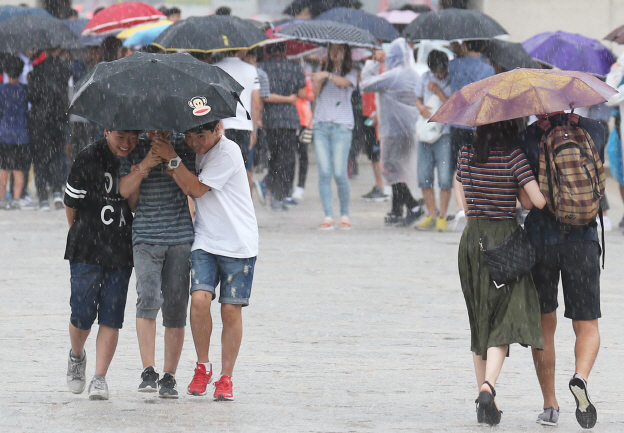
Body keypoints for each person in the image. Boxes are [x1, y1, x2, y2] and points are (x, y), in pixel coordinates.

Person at [150, 120, 258, 402]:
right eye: (189, 136)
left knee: (230, 311)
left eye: (201, 135)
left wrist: (172, 157)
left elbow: (196, 189)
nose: (196, 142)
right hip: (206, 240)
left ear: (217, 129)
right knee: (198, 300)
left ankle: (226, 377)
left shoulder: (228, 151)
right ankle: (203, 366)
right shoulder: (191, 152)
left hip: (238, 243)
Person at [517, 113, 605, 429]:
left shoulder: (527, 137)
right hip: (582, 237)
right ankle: (580, 376)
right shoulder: (596, 129)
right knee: (587, 323)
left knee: (545, 323)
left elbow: (527, 202)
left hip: (542, 239)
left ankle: (550, 405)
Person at [456, 120, 545, 426]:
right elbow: (537, 201)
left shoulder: (466, 153)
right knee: (504, 319)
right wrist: (521, 183)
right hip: (503, 241)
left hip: (471, 241)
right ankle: (488, 387)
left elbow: (463, 198)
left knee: (480, 319)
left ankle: (485, 404)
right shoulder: (513, 155)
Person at [119, 130, 196, 399]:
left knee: (176, 307)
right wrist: (144, 167)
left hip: (179, 237)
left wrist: (172, 158)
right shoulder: (137, 148)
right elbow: (129, 196)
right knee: (147, 297)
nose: (156, 130)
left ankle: (169, 376)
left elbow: (192, 189)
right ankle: (148, 370)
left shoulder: (184, 146)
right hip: (145, 237)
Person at [64, 129, 140, 400]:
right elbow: (70, 203)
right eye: (120, 136)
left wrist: (140, 171)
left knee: (112, 314)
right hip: (86, 247)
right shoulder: (88, 156)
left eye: (133, 137)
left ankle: (100, 377)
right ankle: (76, 355)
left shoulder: (138, 154)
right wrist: (81, 232)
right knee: (82, 312)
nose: (126, 143)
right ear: (107, 130)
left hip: (121, 248)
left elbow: (134, 204)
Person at [361, 38, 421, 227]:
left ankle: (413, 206)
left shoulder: (394, 75)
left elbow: (366, 85)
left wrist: (372, 63)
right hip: (410, 129)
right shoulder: (413, 73)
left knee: (389, 169)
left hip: (393, 130)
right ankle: (396, 211)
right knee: (399, 168)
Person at [311, 43, 358, 230]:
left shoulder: (353, 71)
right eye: (332, 49)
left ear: (346, 52)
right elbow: (314, 93)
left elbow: (345, 83)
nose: (335, 53)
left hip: (342, 126)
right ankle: (328, 215)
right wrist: (322, 72)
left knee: (340, 172)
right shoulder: (322, 69)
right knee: (324, 172)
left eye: (339, 49)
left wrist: (329, 75)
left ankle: (344, 213)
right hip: (321, 125)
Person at [448, 41, 495, 228]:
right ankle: (478, 207)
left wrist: (459, 52)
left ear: (465, 46)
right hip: (478, 124)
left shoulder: (453, 65)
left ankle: (461, 208)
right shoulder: (488, 70)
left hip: (458, 121)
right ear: (483, 47)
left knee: (459, 166)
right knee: (478, 165)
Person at [258, 42, 307, 211]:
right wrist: (289, 96)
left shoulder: (262, 67)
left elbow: (262, 95)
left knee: (274, 156)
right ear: (285, 50)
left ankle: (270, 186)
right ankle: (281, 194)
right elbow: (302, 93)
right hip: (289, 119)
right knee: (287, 158)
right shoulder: (294, 67)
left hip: (270, 119)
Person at [27, 47, 72, 211]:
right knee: (57, 155)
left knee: (40, 158)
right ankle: (57, 191)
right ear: (60, 49)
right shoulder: (65, 68)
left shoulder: (37, 70)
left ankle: (43, 198)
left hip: (40, 121)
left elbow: (31, 96)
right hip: (59, 118)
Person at [415, 50, 453, 232]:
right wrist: (421, 108)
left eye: (441, 71)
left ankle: (442, 215)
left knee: (445, 177)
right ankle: (431, 213)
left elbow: (453, 107)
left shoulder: (452, 79)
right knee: (424, 175)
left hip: (444, 132)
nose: (439, 75)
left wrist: (438, 90)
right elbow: (418, 99)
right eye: (435, 71)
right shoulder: (424, 78)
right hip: (425, 132)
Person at [214, 50, 261, 193]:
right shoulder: (251, 70)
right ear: (242, 50)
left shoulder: (215, 68)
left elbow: (215, 100)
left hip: (223, 126)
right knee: (245, 169)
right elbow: (256, 103)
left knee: (223, 171)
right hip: (245, 127)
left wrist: (219, 125)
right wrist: (253, 129)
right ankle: (247, 209)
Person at [0, 56, 30, 210]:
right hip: (21, 134)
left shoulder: (2, 89)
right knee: (18, 168)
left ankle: (2, 198)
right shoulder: (25, 90)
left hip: (4, 133)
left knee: (4, 167)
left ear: (5, 71)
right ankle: (17, 198)